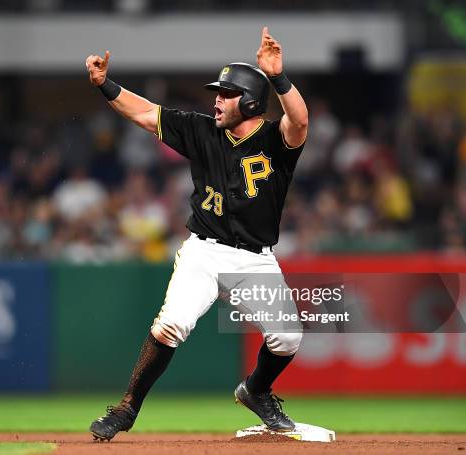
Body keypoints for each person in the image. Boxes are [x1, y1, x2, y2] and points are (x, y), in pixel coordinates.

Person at [85, 26, 308, 441]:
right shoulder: (203, 130)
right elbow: (145, 113)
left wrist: (278, 78)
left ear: (253, 101)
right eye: (217, 92)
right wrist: (105, 85)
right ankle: (126, 408)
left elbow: (300, 119)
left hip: (255, 258)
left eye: (226, 93)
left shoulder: (277, 140)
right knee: (171, 326)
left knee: (288, 339)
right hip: (204, 252)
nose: (217, 99)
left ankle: (256, 390)